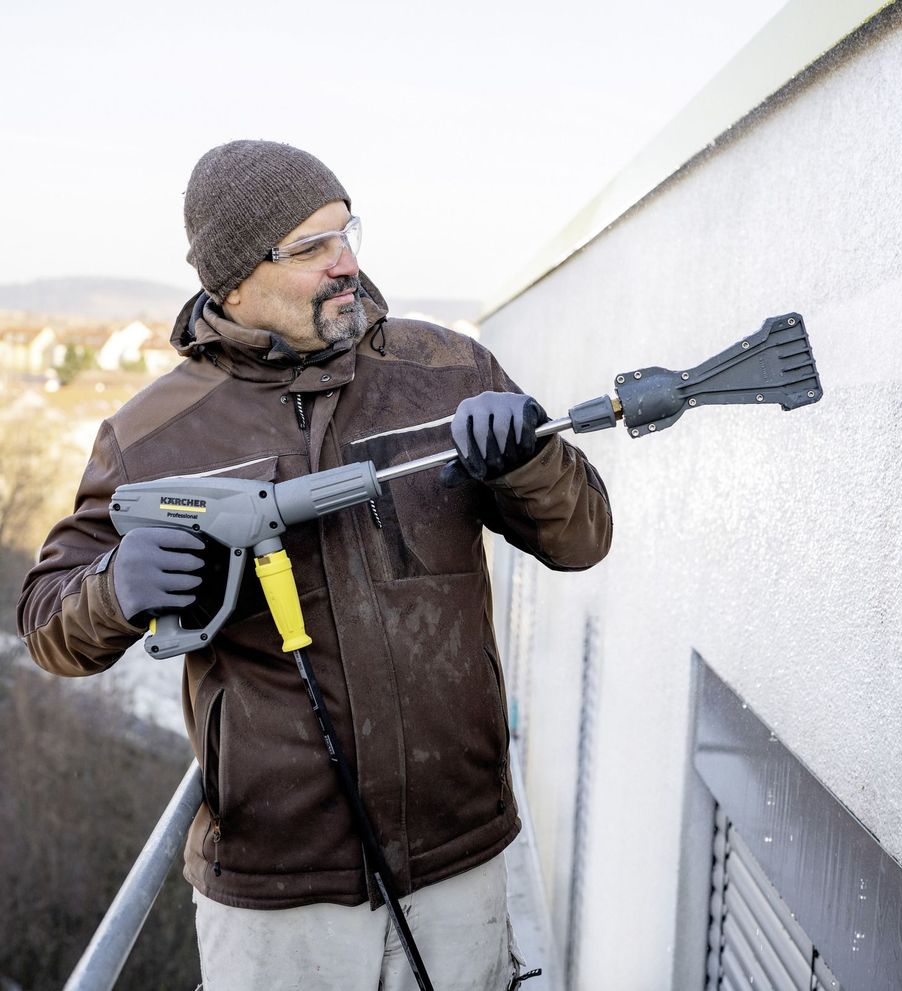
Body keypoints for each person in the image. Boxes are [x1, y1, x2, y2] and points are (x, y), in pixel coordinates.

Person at [17, 140, 612, 990]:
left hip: (460, 857)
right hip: (276, 893)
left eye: (346, 231)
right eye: (310, 247)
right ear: (232, 279)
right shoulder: (153, 434)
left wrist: (527, 459)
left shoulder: (445, 371)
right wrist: (113, 589)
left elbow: (583, 538)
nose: (347, 264)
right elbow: (46, 625)